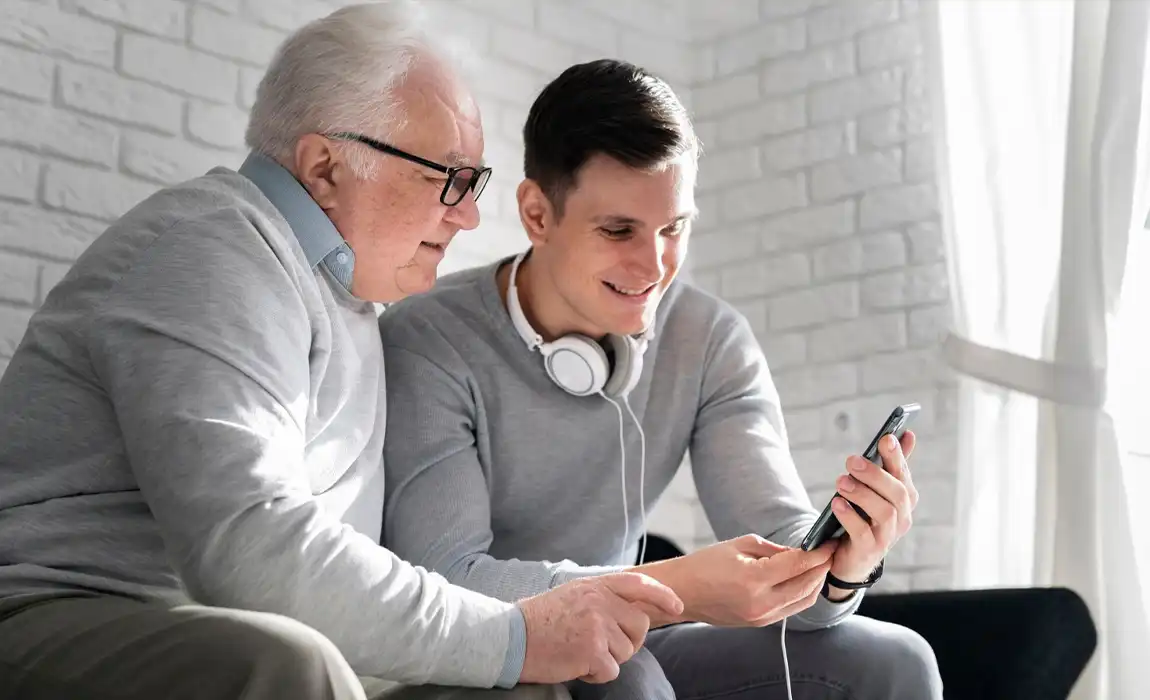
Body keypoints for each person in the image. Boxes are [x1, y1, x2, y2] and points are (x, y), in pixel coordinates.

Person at [0, 6, 687, 700]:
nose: (469, 215)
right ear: (325, 168)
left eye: (472, 183)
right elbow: (250, 549)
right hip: (67, 613)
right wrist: (513, 636)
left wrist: (536, 631)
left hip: (237, 632)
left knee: (529, 690)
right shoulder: (214, 248)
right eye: (448, 177)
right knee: (290, 664)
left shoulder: (349, 302)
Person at [379, 59, 945, 700]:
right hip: (489, 650)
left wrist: (843, 565)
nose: (653, 266)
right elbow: (445, 578)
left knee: (898, 658)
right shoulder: (429, 337)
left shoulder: (710, 340)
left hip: (628, 632)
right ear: (537, 214)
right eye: (618, 230)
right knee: (628, 676)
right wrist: (678, 587)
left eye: (674, 228)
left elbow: (793, 576)